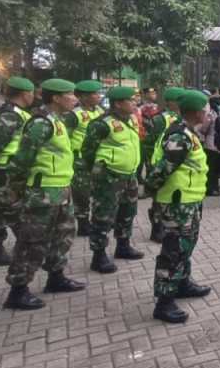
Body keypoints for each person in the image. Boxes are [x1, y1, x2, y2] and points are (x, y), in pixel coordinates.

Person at [3, 79, 86, 311]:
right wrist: (18, 192)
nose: (74, 98)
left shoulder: (57, 121)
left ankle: (56, 277)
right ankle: (18, 290)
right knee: (32, 241)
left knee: (63, 234)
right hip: (43, 192)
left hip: (61, 188)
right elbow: (22, 160)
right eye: (70, 94)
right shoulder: (40, 123)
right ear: (56, 98)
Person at [147, 90, 212, 324]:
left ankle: (182, 283)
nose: (207, 114)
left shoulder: (188, 133)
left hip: (188, 201)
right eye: (205, 110)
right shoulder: (180, 137)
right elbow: (162, 170)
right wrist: (152, 191)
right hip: (177, 203)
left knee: (186, 246)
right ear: (195, 112)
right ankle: (164, 302)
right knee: (173, 251)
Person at [81, 86, 144, 274]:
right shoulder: (101, 123)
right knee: (103, 215)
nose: (135, 103)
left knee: (127, 211)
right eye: (131, 100)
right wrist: (100, 169)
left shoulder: (130, 119)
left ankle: (123, 246)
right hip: (109, 177)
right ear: (118, 103)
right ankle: (98, 255)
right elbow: (88, 150)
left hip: (129, 175)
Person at [0, 76, 35, 266]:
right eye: (32, 93)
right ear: (24, 93)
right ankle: (9, 247)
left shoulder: (19, 113)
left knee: (1, 209)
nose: (33, 97)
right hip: (7, 169)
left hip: (11, 168)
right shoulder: (10, 114)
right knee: (10, 209)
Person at [64, 80, 104, 237]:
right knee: (82, 192)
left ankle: (97, 219)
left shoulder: (100, 111)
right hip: (80, 160)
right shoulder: (74, 115)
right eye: (95, 94)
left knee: (98, 190)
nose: (98, 96)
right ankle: (82, 222)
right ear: (84, 97)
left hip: (98, 158)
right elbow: (66, 137)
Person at [145, 88, 184, 243]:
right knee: (159, 196)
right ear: (171, 102)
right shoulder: (160, 119)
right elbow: (150, 142)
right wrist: (151, 165)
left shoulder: (180, 117)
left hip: (173, 161)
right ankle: (156, 228)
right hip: (160, 162)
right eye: (180, 99)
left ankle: (169, 224)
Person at [200, 95, 220, 196]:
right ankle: (211, 188)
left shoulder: (215, 114)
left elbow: (204, 129)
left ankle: (213, 187)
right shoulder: (215, 114)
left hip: (214, 144)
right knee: (212, 169)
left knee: (213, 168)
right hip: (213, 144)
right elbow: (204, 128)